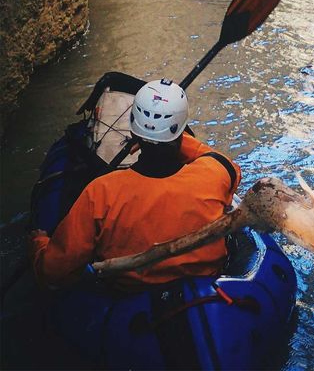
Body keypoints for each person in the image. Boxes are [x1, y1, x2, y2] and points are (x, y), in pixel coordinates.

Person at [30, 79, 241, 291]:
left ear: (133, 130)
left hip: (132, 297)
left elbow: (54, 270)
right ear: (181, 130)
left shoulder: (101, 191)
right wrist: (163, 136)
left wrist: (40, 242)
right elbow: (211, 156)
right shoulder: (217, 172)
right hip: (207, 287)